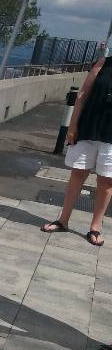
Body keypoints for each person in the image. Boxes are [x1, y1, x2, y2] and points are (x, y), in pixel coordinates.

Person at [40, 55, 112, 245]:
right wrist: (72, 126)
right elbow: (82, 95)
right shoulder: (103, 63)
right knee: (78, 173)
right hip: (88, 128)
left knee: (106, 181)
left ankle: (95, 228)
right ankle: (63, 220)